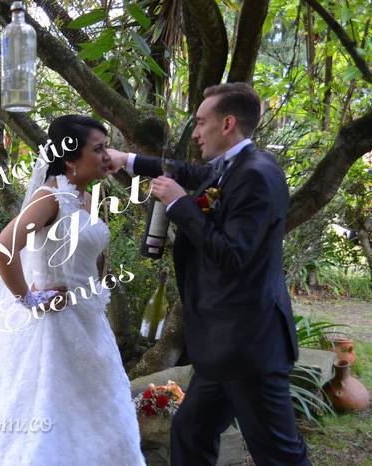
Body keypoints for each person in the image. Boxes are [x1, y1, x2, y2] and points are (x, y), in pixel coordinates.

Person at [0, 115, 146, 465]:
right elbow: (2, 247)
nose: (106, 155)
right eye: (98, 149)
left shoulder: (88, 198)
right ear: (70, 158)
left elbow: (92, 257)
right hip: (52, 327)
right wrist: (29, 298)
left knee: (91, 409)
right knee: (45, 410)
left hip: (89, 322)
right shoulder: (50, 198)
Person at [106, 82, 310, 466]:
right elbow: (188, 172)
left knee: (279, 454)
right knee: (191, 433)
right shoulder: (230, 168)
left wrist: (181, 205)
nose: (196, 133)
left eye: (201, 123)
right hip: (223, 345)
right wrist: (126, 160)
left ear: (228, 123)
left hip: (249, 346)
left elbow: (232, 256)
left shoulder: (257, 175)